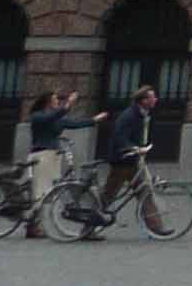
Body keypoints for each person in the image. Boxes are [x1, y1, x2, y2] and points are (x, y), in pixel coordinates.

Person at [80, 86, 162, 239]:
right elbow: (119, 136)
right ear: (144, 100)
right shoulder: (129, 115)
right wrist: (133, 148)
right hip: (122, 161)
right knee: (108, 196)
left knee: (145, 192)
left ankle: (156, 228)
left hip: (132, 160)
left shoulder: (142, 114)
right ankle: (87, 229)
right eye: (153, 97)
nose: (156, 99)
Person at [19, 90, 100, 239]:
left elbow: (74, 124)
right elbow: (52, 117)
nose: (57, 101)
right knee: (41, 191)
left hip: (53, 156)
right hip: (42, 155)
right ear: (47, 102)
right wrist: (68, 104)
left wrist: (94, 120)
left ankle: (34, 224)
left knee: (48, 191)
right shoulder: (38, 116)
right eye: (55, 99)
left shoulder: (55, 118)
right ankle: (33, 226)